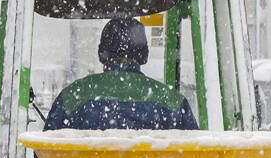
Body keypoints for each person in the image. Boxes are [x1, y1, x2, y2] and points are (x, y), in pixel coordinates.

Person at [44, 17, 198, 130]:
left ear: (101, 53)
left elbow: (44, 155)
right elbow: (194, 156)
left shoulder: (72, 96)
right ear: (144, 54)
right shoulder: (173, 101)